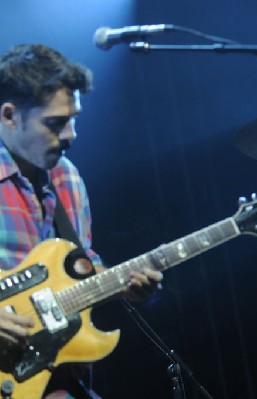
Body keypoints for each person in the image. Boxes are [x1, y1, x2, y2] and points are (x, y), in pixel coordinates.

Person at [0, 44, 163, 398]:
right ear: (10, 116)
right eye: (56, 123)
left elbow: (78, 267)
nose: (71, 134)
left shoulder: (67, 179)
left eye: (73, 119)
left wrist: (123, 284)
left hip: (57, 378)